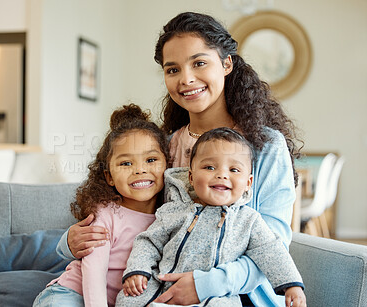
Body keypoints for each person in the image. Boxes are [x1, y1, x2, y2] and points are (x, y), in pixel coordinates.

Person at [57, 11, 303, 306]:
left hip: (236, 296)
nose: (186, 79)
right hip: (158, 290)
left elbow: (274, 245)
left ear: (226, 64)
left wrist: (205, 285)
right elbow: (131, 220)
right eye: (172, 69)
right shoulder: (165, 147)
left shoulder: (265, 145)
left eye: (199, 63)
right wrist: (69, 244)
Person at [116, 128, 306, 307]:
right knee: (128, 299)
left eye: (234, 170)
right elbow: (149, 241)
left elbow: (272, 251)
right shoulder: (174, 210)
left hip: (216, 295)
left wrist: (292, 285)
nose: (221, 175)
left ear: (248, 182)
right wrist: (137, 270)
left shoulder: (249, 220)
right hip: (164, 285)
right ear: (191, 177)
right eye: (209, 167)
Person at [32, 104, 169, 307]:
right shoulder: (105, 214)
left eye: (151, 160)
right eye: (126, 163)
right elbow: (94, 274)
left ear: (168, 163)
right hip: (71, 294)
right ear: (109, 176)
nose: (140, 170)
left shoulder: (169, 215)